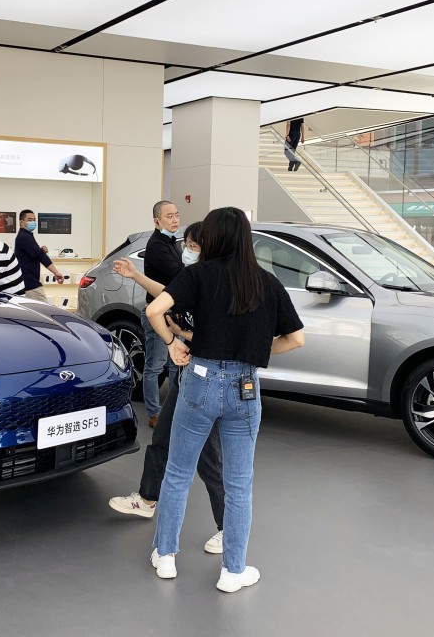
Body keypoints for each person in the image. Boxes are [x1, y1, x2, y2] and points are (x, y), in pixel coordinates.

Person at [146, 206, 304, 593]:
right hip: (245, 388)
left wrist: (172, 345)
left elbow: (154, 309)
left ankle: (165, 556)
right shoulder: (267, 282)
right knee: (239, 483)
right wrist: (256, 350)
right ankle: (234, 571)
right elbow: (296, 339)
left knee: (179, 472)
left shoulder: (198, 274)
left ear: (213, 238)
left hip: (198, 381)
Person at [108, 223, 227, 555]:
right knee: (161, 439)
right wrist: (135, 276)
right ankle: (147, 499)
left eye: (193, 245)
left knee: (208, 458)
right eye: (186, 243)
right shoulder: (194, 278)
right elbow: (165, 291)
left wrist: (179, 337)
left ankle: (227, 527)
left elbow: (215, 336)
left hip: (208, 379)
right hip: (186, 376)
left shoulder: (217, 282)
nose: (187, 250)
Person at [141, 200, 182, 428]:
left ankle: (174, 409)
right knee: (155, 366)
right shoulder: (157, 245)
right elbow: (178, 275)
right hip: (159, 315)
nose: (175, 219)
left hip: (175, 315)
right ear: (157, 221)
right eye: (169, 216)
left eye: (176, 214)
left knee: (177, 363)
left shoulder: (173, 242)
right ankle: (154, 413)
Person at [14, 209, 64, 303]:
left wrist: (41, 250)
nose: (33, 222)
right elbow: (40, 256)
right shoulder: (24, 237)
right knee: (45, 313)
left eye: (34, 219)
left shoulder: (27, 235)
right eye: (29, 220)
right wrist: (56, 272)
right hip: (31, 285)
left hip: (29, 283)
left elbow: (35, 253)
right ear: (21, 222)